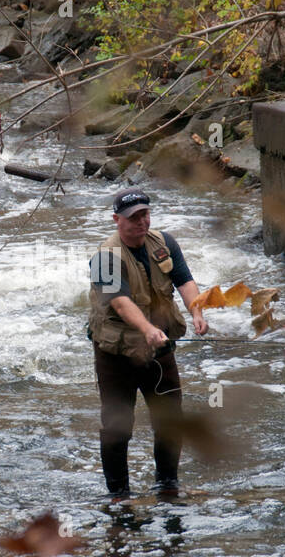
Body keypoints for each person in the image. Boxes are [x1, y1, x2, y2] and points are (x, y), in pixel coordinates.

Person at [87, 188, 208, 498]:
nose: (141, 223)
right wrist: (147, 329)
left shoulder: (164, 243)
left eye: (144, 215)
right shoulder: (105, 257)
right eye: (132, 218)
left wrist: (197, 311)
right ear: (117, 220)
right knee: (117, 427)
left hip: (158, 350)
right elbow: (119, 303)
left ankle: (167, 485)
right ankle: (118, 495)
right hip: (116, 355)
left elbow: (184, 279)